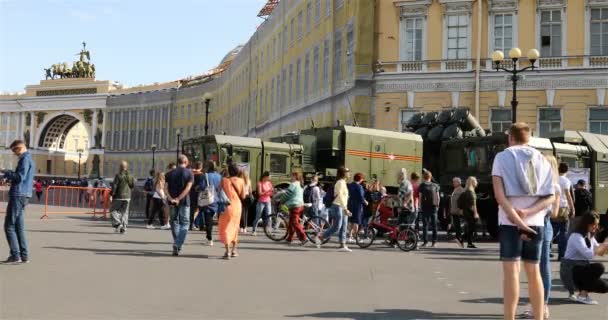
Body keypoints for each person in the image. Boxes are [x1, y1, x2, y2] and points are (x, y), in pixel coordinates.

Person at [492, 122, 556, 320]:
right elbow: (550, 197)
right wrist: (528, 212)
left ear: (510, 138)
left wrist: (517, 218)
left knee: (511, 273)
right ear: (529, 138)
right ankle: (538, 316)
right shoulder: (543, 160)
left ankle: (509, 318)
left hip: (509, 223)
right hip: (536, 223)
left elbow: (500, 196)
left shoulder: (502, 157)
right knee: (534, 272)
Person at [521, 154, 561, 319]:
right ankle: (539, 304)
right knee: (537, 268)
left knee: (540, 268)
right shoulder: (552, 186)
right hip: (542, 225)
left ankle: (542, 305)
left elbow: (553, 213)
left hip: (540, 225)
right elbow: (555, 213)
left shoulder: (547, 186)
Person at [560, 212, 608, 305]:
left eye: (597, 224)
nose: (596, 227)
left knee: (605, 287)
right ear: (586, 224)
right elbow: (589, 254)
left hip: (580, 270)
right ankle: (582, 295)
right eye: (594, 224)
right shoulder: (576, 236)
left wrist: (606, 245)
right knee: (599, 267)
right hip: (570, 272)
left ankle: (582, 293)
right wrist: (605, 244)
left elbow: (600, 251)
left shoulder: (589, 235)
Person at [2, 140, 35, 264]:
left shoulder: (25, 159)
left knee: (9, 226)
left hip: (18, 194)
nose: (14, 154)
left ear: (19, 148)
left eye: (14, 151)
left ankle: (15, 255)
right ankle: (24, 255)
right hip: (24, 194)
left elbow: (20, 177)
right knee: (19, 226)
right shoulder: (29, 158)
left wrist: (7, 172)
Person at [315, 167, 352, 252]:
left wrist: (346, 208)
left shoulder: (344, 182)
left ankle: (342, 244)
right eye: (348, 172)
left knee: (344, 226)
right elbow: (340, 196)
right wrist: (345, 208)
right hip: (337, 206)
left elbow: (345, 197)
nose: (349, 173)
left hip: (342, 206)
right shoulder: (339, 183)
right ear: (343, 173)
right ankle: (321, 237)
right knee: (337, 226)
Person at [164, 155, 194, 256]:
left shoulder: (169, 174)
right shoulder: (189, 173)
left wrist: (171, 199)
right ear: (185, 161)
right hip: (184, 202)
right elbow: (187, 188)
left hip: (172, 202)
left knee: (174, 222)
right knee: (185, 223)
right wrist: (179, 198)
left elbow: (165, 189)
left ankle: (177, 243)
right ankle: (177, 244)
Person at [218, 163, 246, 259]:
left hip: (226, 206)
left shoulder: (224, 180)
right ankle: (234, 250)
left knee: (225, 227)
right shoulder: (241, 181)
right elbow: (243, 196)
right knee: (235, 227)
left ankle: (227, 251)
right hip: (237, 206)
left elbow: (218, 192)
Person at [553, 162, 575, 260]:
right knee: (564, 233)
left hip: (554, 207)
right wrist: (572, 208)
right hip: (563, 209)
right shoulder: (566, 180)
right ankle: (562, 255)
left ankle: (545, 251)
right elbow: (568, 195)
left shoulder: (554, 179)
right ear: (566, 170)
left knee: (552, 231)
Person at [198, 161, 222, 246]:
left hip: (208, 199)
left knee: (208, 220)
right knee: (210, 218)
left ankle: (209, 239)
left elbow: (201, 187)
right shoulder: (219, 176)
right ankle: (209, 237)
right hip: (215, 199)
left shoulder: (206, 176)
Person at [281, 172, 307, 246]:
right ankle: (290, 238)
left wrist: (281, 200)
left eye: (291, 176)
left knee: (295, 223)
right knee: (291, 222)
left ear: (295, 177)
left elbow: (287, 195)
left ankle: (304, 238)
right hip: (300, 205)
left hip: (295, 205)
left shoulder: (293, 184)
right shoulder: (300, 184)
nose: (290, 177)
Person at [109, 161, 134, 234]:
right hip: (128, 197)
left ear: (120, 167)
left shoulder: (118, 175)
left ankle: (118, 223)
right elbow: (132, 186)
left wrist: (111, 194)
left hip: (119, 196)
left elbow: (115, 186)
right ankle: (124, 227)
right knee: (124, 212)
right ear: (127, 167)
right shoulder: (130, 175)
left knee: (112, 210)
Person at [418, 170, 440, 247]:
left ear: (424, 177)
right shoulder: (435, 185)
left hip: (425, 207)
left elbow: (420, 197)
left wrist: (420, 206)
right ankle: (434, 242)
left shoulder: (422, 186)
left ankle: (425, 241)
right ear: (430, 177)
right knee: (434, 225)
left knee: (425, 225)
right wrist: (437, 205)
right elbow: (438, 197)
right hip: (433, 207)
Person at [459, 177, 479, 249]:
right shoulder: (471, 193)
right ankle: (461, 238)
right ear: (473, 182)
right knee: (472, 228)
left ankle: (469, 243)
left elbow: (460, 203)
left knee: (470, 227)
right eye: (475, 181)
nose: (476, 183)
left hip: (465, 212)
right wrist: (475, 213)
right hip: (471, 212)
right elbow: (474, 205)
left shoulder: (465, 191)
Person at [347, 173, 367, 243]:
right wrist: (365, 202)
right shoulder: (359, 187)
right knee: (356, 221)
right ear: (360, 179)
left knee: (350, 221)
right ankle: (356, 237)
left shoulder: (349, 185)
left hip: (350, 204)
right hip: (357, 205)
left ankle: (349, 236)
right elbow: (361, 197)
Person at [252, 171, 273, 236]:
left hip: (268, 201)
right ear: (265, 176)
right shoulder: (260, 183)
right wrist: (267, 192)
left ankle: (269, 230)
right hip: (261, 201)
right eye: (268, 177)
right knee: (258, 216)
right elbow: (260, 193)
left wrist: (271, 192)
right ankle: (254, 230)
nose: (269, 178)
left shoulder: (269, 183)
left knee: (269, 216)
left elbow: (271, 192)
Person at [450, 177, 466, 247]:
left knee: (459, 226)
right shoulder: (455, 189)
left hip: (458, 211)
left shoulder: (461, 190)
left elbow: (462, 202)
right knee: (457, 226)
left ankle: (460, 240)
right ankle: (458, 238)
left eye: (454, 182)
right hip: (454, 211)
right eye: (453, 182)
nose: (453, 183)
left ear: (458, 183)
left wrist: (461, 210)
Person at [188, 162, 203, 231]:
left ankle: (191, 224)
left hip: (191, 193)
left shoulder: (191, 174)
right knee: (198, 209)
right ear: (201, 167)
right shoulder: (201, 175)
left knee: (192, 209)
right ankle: (195, 223)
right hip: (199, 194)